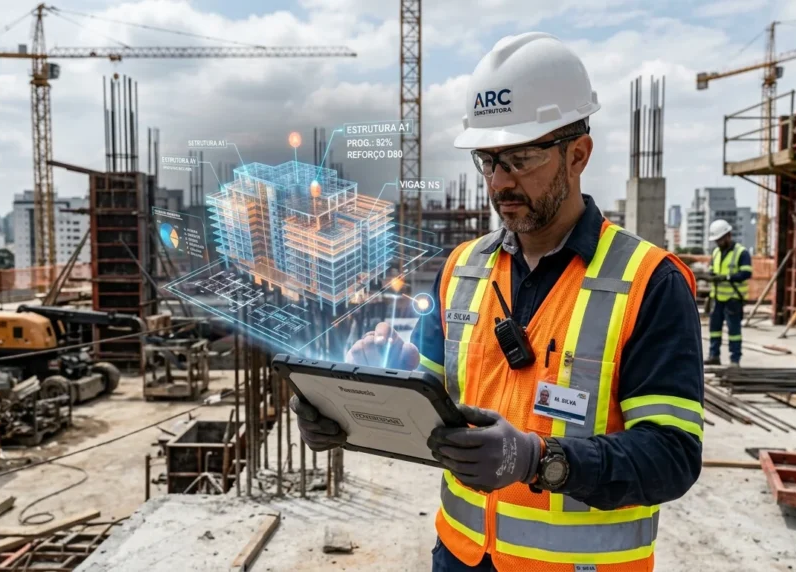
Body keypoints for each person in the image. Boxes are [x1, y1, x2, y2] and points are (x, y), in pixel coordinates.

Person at [291, 32, 705, 572]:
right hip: (462, 555)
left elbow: (672, 455)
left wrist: (540, 460)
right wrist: (354, 404)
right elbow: (433, 395)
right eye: (488, 160)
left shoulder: (650, 282)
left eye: (521, 158)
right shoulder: (462, 267)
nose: (500, 182)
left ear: (577, 154)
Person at [705, 219, 753, 367]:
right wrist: (711, 275)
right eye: (716, 240)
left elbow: (746, 273)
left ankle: (735, 359)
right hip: (717, 297)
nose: (718, 243)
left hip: (733, 298)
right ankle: (714, 356)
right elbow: (713, 268)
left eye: (720, 239)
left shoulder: (741, 252)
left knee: (734, 331)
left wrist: (726, 277)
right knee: (714, 330)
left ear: (728, 235)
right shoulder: (716, 252)